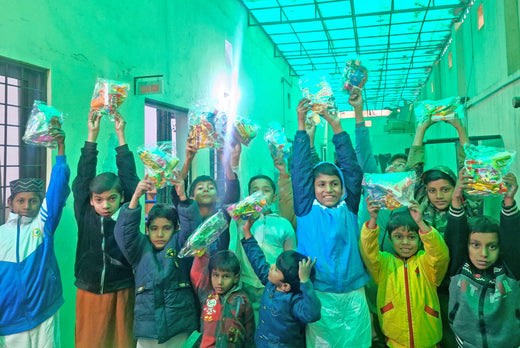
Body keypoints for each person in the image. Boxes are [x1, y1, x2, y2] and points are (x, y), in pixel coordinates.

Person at [291, 98, 371, 347]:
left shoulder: (349, 206)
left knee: (356, 342)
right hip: (319, 291)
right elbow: (300, 168)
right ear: (312, 187)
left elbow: (352, 168)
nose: (329, 189)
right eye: (322, 184)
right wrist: (301, 123)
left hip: (353, 291)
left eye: (335, 183)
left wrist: (336, 125)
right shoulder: (306, 208)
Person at [73, 111, 139, 348]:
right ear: (90, 200)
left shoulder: (127, 213)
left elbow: (130, 178)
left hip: (122, 286)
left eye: (112, 198)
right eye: (98, 199)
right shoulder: (84, 212)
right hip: (89, 287)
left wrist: (121, 135)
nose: (105, 205)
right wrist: (92, 135)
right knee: (90, 342)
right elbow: (83, 177)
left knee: (122, 343)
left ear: (122, 198)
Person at [0, 125, 69, 347]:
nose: (27, 206)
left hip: (44, 311)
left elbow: (56, 191)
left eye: (33, 201)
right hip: (9, 318)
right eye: (21, 201)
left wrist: (60, 149)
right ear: (10, 203)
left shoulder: (43, 225)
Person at [114, 172, 200, 347]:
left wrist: (183, 197)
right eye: (154, 228)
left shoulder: (181, 246)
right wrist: (136, 196)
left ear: (176, 228)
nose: (160, 234)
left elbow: (192, 229)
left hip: (179, 328)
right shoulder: (139, 249)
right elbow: (124, 234)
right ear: (148, 229)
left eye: (166, 228)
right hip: (148, 330)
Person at [445, 172, 520, 347]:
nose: (484, 254)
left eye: (492, 246)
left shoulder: (510, 270)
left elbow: (512, 237)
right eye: (476, 245)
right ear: (467, 246)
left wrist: (509, 200)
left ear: (501, 247)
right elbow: (455, 235)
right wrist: (456, 199)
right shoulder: (459, 267)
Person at [360, 202, 449, 348]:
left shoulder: (425, 263)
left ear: (419, 239)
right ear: (390, 239)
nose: (406, 242)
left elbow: (440, 255)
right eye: (399, 236)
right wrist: (372, 221)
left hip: (428, 341)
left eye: (412, 237)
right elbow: (367, 250)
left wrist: (420, 222)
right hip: (395, 342)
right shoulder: (383, 263)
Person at [240, 217, 321, 347]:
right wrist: (247, 232)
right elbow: (258, 260)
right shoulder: (271, 283)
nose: (271, 266)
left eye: (276, 269)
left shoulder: (294, 302)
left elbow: (312, 314)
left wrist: (305, 281)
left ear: (285, 286)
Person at [230, 175, 296, 323]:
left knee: (271, 326)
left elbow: (290, 258)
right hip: (246, 285)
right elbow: (232, 251)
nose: (260, 195)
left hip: (274, 287)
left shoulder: (284, 225)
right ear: (248, 197)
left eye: (266, 190)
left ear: (274, 197)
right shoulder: (239, 221)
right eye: (255, 191)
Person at [172, 137, 242, 251]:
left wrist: (225, 162)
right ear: (191, 197)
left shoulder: (222, 217)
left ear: (218, 198)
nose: (206, 190)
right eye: (200, 188)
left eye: (211, 187)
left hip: (218, 268)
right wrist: (188, 160)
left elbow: (233, 192)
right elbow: (177, 193)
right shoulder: (187, 216)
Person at [190, 249, 255, 347]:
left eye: (226, 277)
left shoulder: (242, 300)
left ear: (236, 278)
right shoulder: (207, 295)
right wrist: (201, 256)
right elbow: (197, 275)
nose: (219, 282)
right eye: (216, 275)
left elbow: (249, 334)